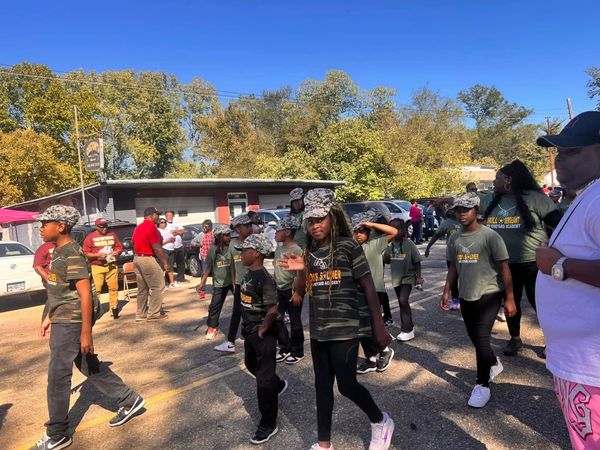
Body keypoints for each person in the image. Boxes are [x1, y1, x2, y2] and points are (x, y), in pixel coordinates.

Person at [280, 188, 394, 450]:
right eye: (310, 221)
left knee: (346, 385)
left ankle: (380, 421)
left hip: (346, 329)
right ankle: (324, 445)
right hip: (319, 329)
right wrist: (301, 270)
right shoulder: (310, 250)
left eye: (320, 219)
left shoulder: (348, 246)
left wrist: (378, 328)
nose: (315, 225)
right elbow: (301, 289)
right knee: (322, 387)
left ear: (332, 216)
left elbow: (368, 286)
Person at [31, 205, 144, 450]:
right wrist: (49, 315)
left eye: (44, 224)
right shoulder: (58, 251)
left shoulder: (72, 252)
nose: (40, 228)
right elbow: (60, 289)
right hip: (62, 317)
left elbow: (85, 294)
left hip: (71, 322)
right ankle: (129, 399)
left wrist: (86, 333)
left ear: (60, 226)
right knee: (86, 364)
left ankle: (57, 433)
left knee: (58, 376)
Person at [535, 111, 600, 450]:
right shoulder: (589, 194)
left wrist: (559, 264)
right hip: (580, 365)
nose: (561, 159)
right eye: (559, 151)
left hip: (592, 369)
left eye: (573, 151)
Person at [440, 192, 517, 408]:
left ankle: (482, 384)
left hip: (489, 294)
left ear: (476, 211)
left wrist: (510, 298)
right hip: (466, 295)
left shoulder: (490, 236)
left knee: (482, 339)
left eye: (466, 209)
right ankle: (492, 362)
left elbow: (504, 268)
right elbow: (453, 267)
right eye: (458, 210)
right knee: (474, 337)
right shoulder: (454, 238)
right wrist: (446, 291)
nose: (462, 214)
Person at [480, 159, 562, 357]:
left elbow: (560, 225)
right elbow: (464, 206)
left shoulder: (535, 198)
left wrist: (553, 249)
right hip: (505, 264)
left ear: (509, 180)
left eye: (497, 178)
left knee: (540, 303)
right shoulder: (490, 199)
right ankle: (515, 338)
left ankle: (553, 341)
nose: (494, 181)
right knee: (511, 302)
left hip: (534, 263)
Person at [235, 233, 287, 444]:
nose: (241, 254)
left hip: (263, 334)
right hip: (250, 331)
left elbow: (273, 309)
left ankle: (268, 424)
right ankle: (278, 384)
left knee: (263, 382)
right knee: (250, 364)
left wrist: (262, 330)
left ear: (256, 253)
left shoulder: (264, 279)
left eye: (244, 251)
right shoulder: (249, 273)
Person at [351, 211, 397, 375]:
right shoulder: (351, 249)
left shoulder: (375, 244)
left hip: (375, 290)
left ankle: (385, 350)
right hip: (357, 291)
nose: (359, 235)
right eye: (356, 231)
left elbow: (394, 231)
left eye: (362, 231)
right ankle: (370, 359)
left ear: (368, 233)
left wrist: (370, 224)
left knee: (372, 323)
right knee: (361, 326)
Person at [214, 213, 254, 353]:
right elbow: (232, 266)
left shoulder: (254, 241)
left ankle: (259, 339)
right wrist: (233, 283)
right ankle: (230, 342)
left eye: (250, 225)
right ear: (237, 228)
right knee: (236, 312)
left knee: (255, 311)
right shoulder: (232, 244)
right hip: (239, 283)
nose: (249, 228)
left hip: (253, 283)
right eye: (246, 225)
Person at [273, 216, 305, 364]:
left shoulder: (296, 250)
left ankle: (298, 351)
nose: (275, 233)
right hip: (279, 290)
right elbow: (276, 269)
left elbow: (300, 274)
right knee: (278, 318)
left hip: (292, 291)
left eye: (277, 231)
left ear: (287, 232)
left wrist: (298, 292)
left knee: (295, 321)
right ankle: (285, 347)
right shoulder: (278, 249)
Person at [385, 219, 423, 342]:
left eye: (398, 229)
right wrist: (385, 255)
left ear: (404, 230)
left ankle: (407, 330)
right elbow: (387, 261)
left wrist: (418, 277)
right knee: (402, 303)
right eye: (392, 229)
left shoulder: (409, 244)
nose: (395, 232)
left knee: (403, 300)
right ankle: (408, 326)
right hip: (396, 278)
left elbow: (417, 261)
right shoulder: (390, 245)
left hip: (408, 276)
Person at [131, 207, 172, 321]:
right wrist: (165, 262)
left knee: (142, 288)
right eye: (157, 214)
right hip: (147, 258)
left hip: (137, 258)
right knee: (158, 286)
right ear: (151, 215)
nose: (158, 217)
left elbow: (133, 242)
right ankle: (153, 314)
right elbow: (156, 247)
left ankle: (141, 314)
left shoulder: (138, 227)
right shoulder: (151, 227)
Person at [196, 224, 233, 340]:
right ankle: (212, 327)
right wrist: (202, 282)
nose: (229, 237)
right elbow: (209, 267)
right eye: (227, 235)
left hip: (233, 281)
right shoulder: (212, 250)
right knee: (214, 306)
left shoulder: (232, 247)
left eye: (229, 234)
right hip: (219, 283)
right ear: (220, 236)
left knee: (243, 303)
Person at [82, 218, 124, 319]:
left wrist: (116, 252)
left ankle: (114, 310)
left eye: (106, 226)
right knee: (96, 290)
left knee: (114, 288)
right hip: (97, 266)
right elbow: (85, 253)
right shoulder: (90, 237)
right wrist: (98, 255)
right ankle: (95, 311)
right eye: (102, 227)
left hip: (111, 265)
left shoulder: (112, 235)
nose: (105, 229)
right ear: (96, 227)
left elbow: (119, 247)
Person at [425, 208, 462, 310]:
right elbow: (436, 235)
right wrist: (428, 247)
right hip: (452, 255)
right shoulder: (446, 223)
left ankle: (466, 299)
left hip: (467, 254)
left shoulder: (464, 220)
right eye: (451, 210)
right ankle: (455, 299)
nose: (453, 211)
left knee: (466, 278)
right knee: (453, 278)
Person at [164, 211, 187, 284]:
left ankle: (181, 278)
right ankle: (168, 280)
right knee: (170, 265)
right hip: (170, 248)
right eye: (168, 215)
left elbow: (184, 231)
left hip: (179, 246)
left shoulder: (176, 224)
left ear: (173, 216)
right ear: (165, 217)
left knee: (181, 263)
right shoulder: (165, 225)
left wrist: (175, 232)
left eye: (171, 215)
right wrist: (178, 232)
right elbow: (169, 233)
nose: (169, 217)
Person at [157, 218, 177, 288]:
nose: (163, 223)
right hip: (164, 250)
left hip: (171, 250)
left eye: (164, 222)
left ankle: (172, 283)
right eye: (162, 222)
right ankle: (162, 284)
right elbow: (158, 243)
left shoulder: (167, 230)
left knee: (170, 267)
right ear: (159, 224)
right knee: (163, 267)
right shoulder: (158, 231)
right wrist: (168, 240)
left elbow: (173, 238)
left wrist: (173, 239)